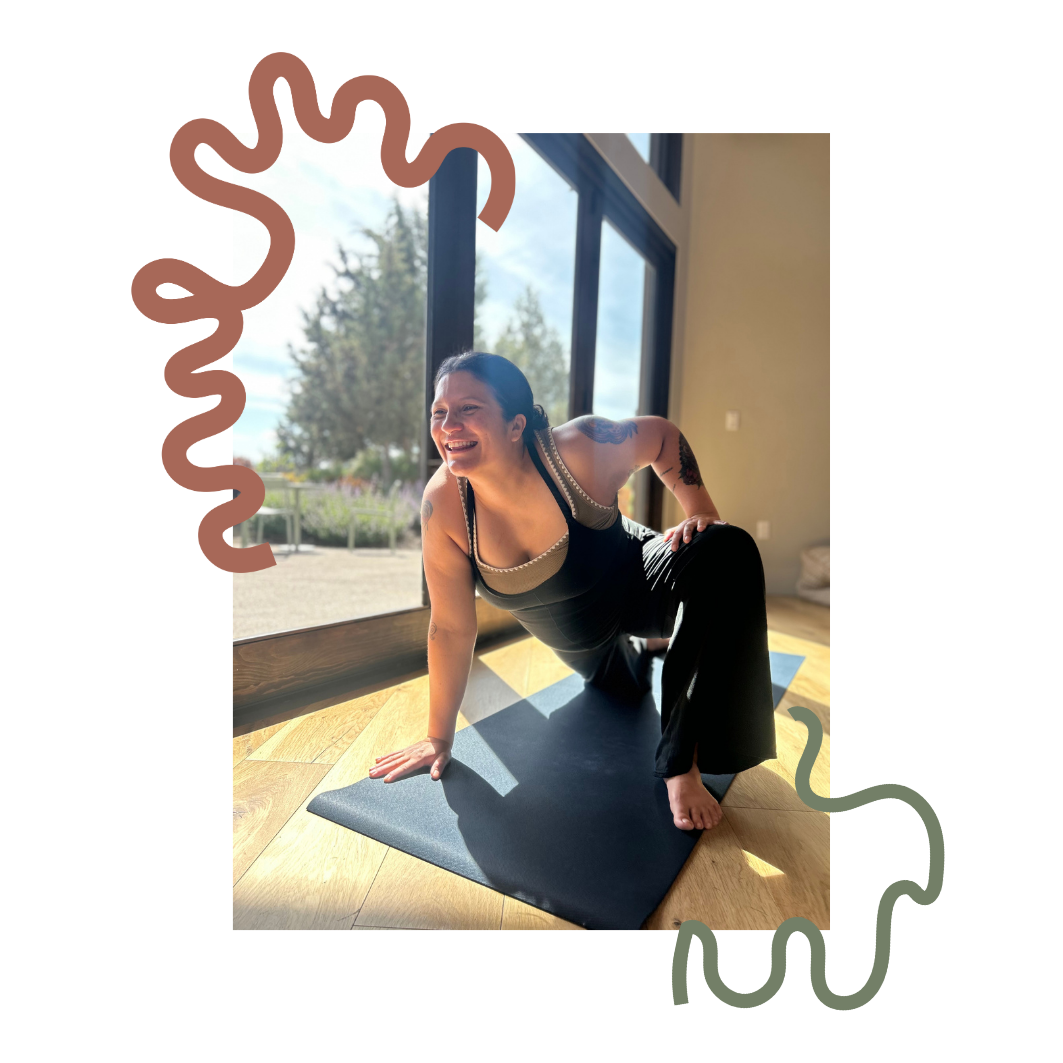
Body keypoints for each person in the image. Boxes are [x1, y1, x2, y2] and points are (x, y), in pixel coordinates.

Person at [371, 352, 776, 831]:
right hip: (583, 639)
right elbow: (451, 627)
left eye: (469, 408)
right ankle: (649, 646)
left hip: (641, 580)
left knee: (726, 549)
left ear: (516, 424)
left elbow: (661, 436)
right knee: (621, 691)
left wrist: (700, 511)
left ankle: (678, 762)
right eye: (439, 412)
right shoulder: (444, 506)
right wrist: (438, 737)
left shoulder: (579, 449)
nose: (448, 425)